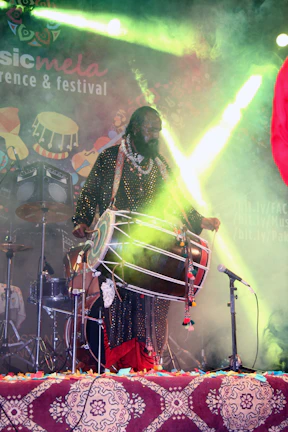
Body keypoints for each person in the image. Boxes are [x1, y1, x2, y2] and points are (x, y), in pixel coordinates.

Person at [72, 106, 220, 371]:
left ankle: (150, 368)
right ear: (135, 128)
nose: (155, 136)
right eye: (151, 129)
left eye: (159, 131)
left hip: (153, 253)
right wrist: (82, 220)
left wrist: (200, 220)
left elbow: (177, 201)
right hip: (118, 252)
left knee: (154, 311)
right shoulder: (109, 159)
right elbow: (90, 192)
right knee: (119, 311)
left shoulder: (160, 166)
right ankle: (121, 371)